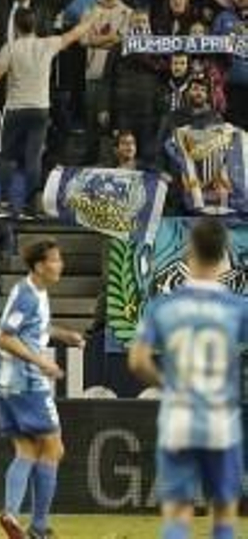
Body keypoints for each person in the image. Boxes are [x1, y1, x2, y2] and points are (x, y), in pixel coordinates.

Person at [127, 219, 248, 539]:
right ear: (224, 253)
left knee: (177, 511)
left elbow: (138, 361)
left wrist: (168, 385)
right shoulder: (238, 307)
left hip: (179, 417)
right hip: (221, 420)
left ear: (189, 250)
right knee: (223, 509)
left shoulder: (163, 306)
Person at [0, 8, 94, 214]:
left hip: (16, 110)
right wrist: (91, 19)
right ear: (34, 25)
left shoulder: (10, 48)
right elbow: (74, 34)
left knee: (7, 156)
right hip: (40, 110)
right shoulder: (47, 44)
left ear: (15, 26)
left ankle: (6, 202)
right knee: (33, 158)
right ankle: (30, 205)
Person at [0, 239, 84, 539]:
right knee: (54, 448)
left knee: (27, 449)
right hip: (26, 381)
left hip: (4, 384)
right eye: (56, 260)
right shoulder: (28, 296)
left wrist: (64, 334)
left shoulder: (32, 291)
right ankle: (40, 527)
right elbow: (4, 337)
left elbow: (34, 328)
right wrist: (41, 363)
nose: (61, 265)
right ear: (40, 266)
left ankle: (10, 514)